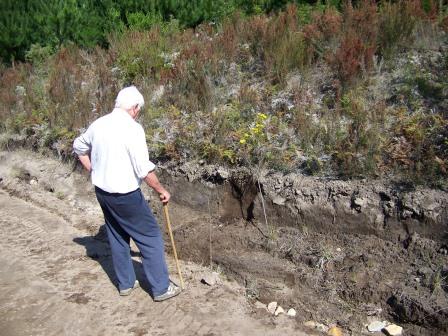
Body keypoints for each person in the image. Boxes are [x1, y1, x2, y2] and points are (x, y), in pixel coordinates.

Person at [73, 86, 181, 301]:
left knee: (117, 235)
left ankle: (125, 283)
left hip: (103, 192)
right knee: (151, 238)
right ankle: (160, 288)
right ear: (134, 108)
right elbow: (144, 169)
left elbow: (78, 147)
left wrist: (93, 169)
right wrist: (161, 190)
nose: (138, 112)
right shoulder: (133, 129)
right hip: (126, 196)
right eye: (138, 109)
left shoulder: (99, 124)